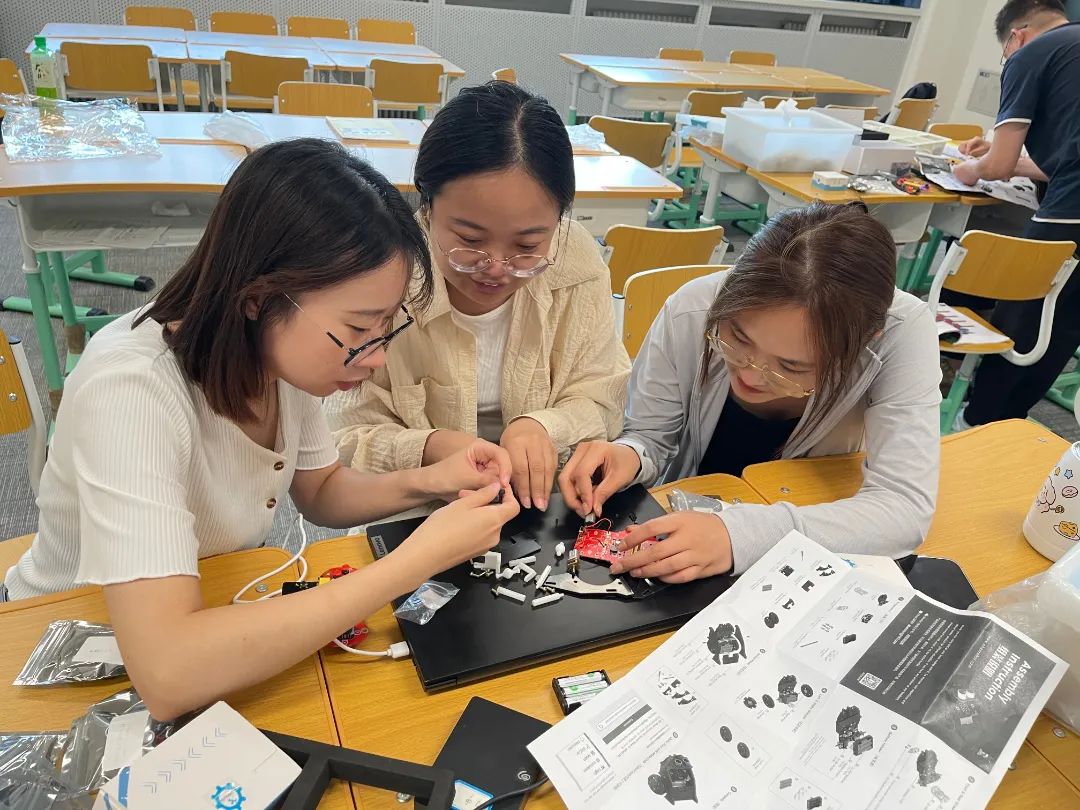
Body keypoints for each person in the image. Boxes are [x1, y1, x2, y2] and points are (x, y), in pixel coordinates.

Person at [2, 139, 520, 720]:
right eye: (358, 329)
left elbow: (322, 490)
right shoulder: (132, 391)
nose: (375, 357)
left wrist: (430, 480)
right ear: (259, 298)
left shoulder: (276, 356)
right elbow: (169, 673)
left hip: (204, 613)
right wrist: (411, 562)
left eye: (384, 326)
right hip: (58, 655)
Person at [558, 202, 942, 583]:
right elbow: (651, 437)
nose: (750, 375)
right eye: (738, 337)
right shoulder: (693, 308)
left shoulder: (901, 333)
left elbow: (903, 509)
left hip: (812, 536)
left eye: (792, 366)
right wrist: (629, 453)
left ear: (865, 341)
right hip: (689, 519)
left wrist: (736, 535)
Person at [325, 81, 630, 512]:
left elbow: (605, 394)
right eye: (470, 240)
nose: (497, 267)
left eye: (527, 246)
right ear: (427, 206)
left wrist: (542, 427)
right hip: (418, 504)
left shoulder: (574, 260)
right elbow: (340, 434)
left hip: (544, 505)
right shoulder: (384, 272)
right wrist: (431, 447)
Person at [951, 0, 1080, 428]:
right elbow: (1060, 160)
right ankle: (1011, 420)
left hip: (1072, 209)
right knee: (1064, 320)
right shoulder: (1071, 49)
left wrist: (971, 169)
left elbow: (999, 167)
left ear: (1015, 36)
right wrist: (996, 155)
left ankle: (981, 421)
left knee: (1025, 309)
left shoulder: (1031, 54)